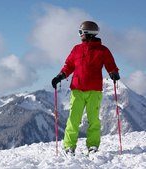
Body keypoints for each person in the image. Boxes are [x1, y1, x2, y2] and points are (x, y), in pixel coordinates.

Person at [51, 21, 120, 155]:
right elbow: (69, 65)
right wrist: (60, 76)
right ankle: (69, 146)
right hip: (77, 90)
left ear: (88, 34)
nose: (80, 35)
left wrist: (113, 73)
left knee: (93, 120)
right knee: (73, 120)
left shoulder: (103, 50)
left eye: (81, 32)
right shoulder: (77, 49)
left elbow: (110, 64)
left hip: (94, 90)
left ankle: (93, 145)